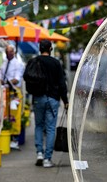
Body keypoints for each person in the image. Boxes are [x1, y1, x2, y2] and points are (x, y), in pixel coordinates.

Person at [27, 39, 68, 168]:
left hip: (38, 98)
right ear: (50, 49)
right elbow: (62, 84)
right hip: (52, 99)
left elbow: (26, 78)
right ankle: (47, 159)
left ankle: (39, 152)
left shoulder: (34, 61)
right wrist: (65, 100)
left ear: (39, 48)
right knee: (50, 128)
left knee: (38, 125)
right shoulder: (56, 63)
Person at [0, 44, 24, 150]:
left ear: (14, 52)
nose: (9, 53)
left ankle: (15, 139)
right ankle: (8, 136)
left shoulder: (18, 64)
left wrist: (7, 82)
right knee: (5, 115)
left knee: (14, 116)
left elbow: (17, 79)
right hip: (5, 92)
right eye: (7, 51)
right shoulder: (4, 63)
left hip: (14, 92)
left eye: (11, 51)